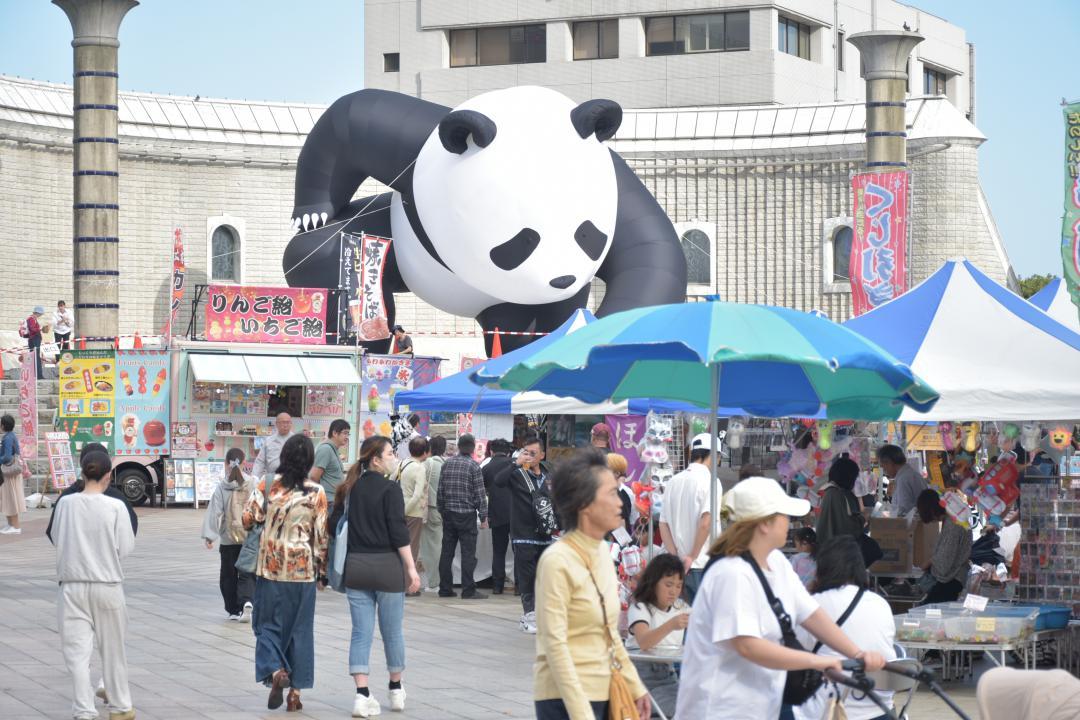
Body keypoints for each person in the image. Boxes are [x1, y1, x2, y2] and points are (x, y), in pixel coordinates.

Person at [675, 476, 885, 720]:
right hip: (719, 709)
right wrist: (815, 662)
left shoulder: (776, 562)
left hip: (761, 707)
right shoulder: (730, 573)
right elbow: (748, 645)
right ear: (764, 524)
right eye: (784, 515)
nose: (789, 522)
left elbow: (811, 614)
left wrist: (857, 653)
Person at [534, 449, 650, 720]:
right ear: (585, 505)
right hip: (562, 699)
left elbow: (611, 634)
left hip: (604, 691)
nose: (620, 502)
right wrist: (581, 713)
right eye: (611, 493)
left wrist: (636, 687)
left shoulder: (602, 551)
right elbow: (555, 646)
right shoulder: (557, 560)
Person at [328, 436, 421, 718]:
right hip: (388, 568)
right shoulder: (391, 489)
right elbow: (398, 532)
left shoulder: (349, 488)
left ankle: (362, 694)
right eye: (391, 453)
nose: (394, 457)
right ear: (376, 459)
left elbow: (333, 526)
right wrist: (411, 569)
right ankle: (395, 688)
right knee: (392, 632)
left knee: (361, 633)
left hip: (356, 567)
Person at [243, 434, 328, 713]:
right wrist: (321, 572)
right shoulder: (317, 492)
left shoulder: (268, 485)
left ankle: (276, 669)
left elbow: (248, 518)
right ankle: (295, 693)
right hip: (303, 574)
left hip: (270, 570)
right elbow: (321, 537)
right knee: (301, 632)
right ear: (310, 461)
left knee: (265, 626)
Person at [51, 450, 136, 720]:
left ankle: (84, 710)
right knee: (113, 650)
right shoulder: (116, 506)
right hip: (107, 584)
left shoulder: (65, 503)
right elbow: (125, 547)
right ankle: (120, 707)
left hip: (72, 585)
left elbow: (55, 535)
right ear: (108, 475)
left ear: (82, 471)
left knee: (76, 654)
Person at [793, 536, 897, 720]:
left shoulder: (814, 605)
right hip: (881, 707)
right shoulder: (880, 603)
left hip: (830, 709)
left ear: (822, 568)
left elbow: (796, 652)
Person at [496, 434, 554, 633]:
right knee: (527, 576)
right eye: (526, 452)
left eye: (533, 453)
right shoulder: (517, 474)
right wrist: (515, 463)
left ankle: (538, 614)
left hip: (546, 534)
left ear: (542, 455)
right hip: (523, 533)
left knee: (544, 576)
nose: (529, 456)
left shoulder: (549, 474)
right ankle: (529, 614)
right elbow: (498, 481)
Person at [624, 553, 690, 719]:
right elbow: (644, 641)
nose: (673, 591)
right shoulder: (640, 608)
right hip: (641, 681)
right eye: (668, 584)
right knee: (685, 709)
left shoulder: (681, 607)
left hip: (669, 675)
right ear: (653, 583)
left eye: (678, 586)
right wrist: (671, 625)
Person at [658, 433, 716, 603]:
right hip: (701, 563)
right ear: (711, 455)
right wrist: (692, 556)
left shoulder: (673, 481)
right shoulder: (711, 481)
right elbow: (706, 523)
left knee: (685, 621)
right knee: (704, 621)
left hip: (679, 565)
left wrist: (676, 556)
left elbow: (663, 524)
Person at [201, 447, 256, 622]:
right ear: (245, 462)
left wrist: (210, 536)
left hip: (228, 538)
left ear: (226, 464)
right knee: (248, 572)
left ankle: (233, 609)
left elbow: (214, 512)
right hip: (249, 537)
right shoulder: (253, 483)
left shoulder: (222, 487)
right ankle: (247, 601)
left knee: (228, 574)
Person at [46, 442, 138, 543]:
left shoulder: (65, 499)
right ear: (108, 472)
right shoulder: (117, 500)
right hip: (107, 558)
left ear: (82, 469)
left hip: (71, 558)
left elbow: (53, 533)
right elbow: (129, 533)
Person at [436, 433, 489, 599]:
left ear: (459, 447)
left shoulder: (447, 464)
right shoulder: (474, 467)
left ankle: (445, 588)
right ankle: (468, 589)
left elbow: (440, 491)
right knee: (468, 553)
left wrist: (442, 510)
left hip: (449, 514)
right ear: (473, 448)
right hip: (466, 515)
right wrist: (484, 516)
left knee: (447, 552)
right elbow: (480, 495)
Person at [915, 488, 971, 604]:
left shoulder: (953, 525)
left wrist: (930, 562)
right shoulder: (953, 518)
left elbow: (944, 564)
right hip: (953, 577)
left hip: (951, 580)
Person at [396, 435, 430, 596]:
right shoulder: (419, 468)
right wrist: (406, 510)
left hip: (397, 509)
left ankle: (399, 583)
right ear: (425, 452)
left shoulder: (401, 463)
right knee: (411, 550)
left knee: (399, 548)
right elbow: (417, 496)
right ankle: (409, 586)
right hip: (413, 513)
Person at [483, 438, 514, 594]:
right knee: (519, 551)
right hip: (516, 513)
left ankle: (497, 586)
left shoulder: (487, 468)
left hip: (496, 513)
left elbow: (483, 490)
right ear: (508, 452)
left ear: (492, 452)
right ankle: (520, 586)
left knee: (499, 551)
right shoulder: (514, 465)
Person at [815, 456, 865, 549]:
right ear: (848, 477)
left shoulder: (825, 490)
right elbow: (847, 527)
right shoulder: (837, 494)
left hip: (826, 547)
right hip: (837, 550)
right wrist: (863, 519)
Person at [420, 435, 447, 591]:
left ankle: (433, 582)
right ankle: (437, 580)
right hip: (441, 510)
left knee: (430, 548)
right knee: (438, 545)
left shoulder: (428, 464)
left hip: (428, 509)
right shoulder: (445, 464)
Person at [310, 419, 350, 514]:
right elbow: (314, 477)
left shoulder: (333, 449)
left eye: (348, 434)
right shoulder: (326, 449)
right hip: (328, 502)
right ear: (335, 433)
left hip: (334, 500)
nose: (347, 437)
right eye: (345, 433)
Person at [877, 444, 927, 518]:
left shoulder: (904, 479)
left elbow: (904, 512)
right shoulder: (909, 474)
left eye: (884, 467)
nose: (885, 471)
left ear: (890, 462)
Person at [0, 414, 27, 534]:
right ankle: (11, 525)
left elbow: (6, 457)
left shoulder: (7, 438)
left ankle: (15, 527)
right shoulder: (10, 436)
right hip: (11, 472)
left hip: (9, 473)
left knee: (10, 498)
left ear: (3, 425)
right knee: (8, 498)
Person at [251, 413, 295, 480]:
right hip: (272, 478)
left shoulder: (296, 440)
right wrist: (254, 478)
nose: (286, 425)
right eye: (283, 422)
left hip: (291, 478)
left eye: (288, 422)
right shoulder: (269, 441)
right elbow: (260, 461)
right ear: (276, 424)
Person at [606, 452, 636, 536]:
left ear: (617, 474)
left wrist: (623, 545)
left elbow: (622, 521)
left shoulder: (620, 493)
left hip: (614, 543)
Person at [22, 306, 46, 379]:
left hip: (33, 339)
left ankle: (35, 375)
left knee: (34, 357)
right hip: (34, 339)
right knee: (36, 357)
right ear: (37, 313)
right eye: (40, 314)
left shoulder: (32, 319)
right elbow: (32, 329)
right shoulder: (31, 319)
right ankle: (39, 375)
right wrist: (40, 328)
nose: (40, 316)